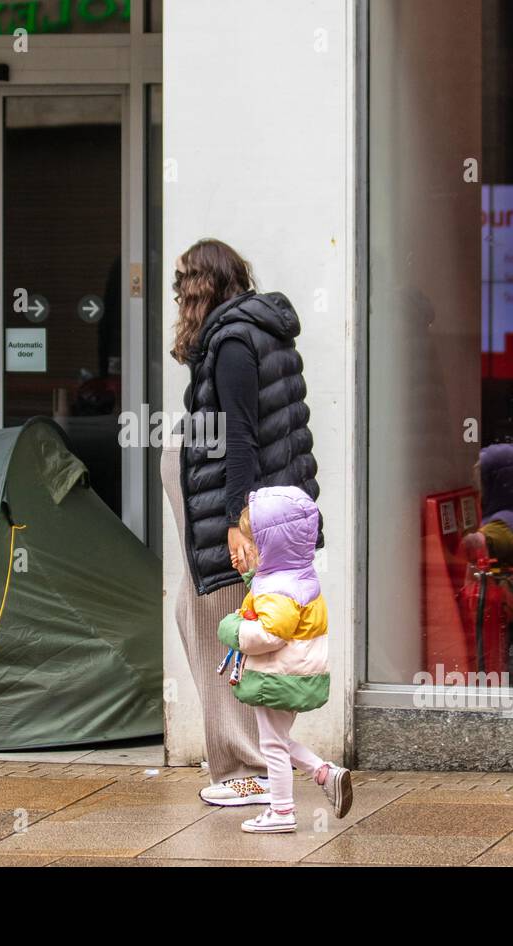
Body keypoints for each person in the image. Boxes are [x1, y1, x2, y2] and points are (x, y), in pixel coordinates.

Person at [159, 237, 320, 808]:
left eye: (183, 282)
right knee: (208, 619)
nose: (177, 294)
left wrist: (236, 519)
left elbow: (241, 438)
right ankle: (251, 758)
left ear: (203, 284)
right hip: (236, 509)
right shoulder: (257, 330)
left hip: (229, 512)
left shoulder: (231, 340)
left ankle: (247, 769)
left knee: (223, 630)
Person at [216, 487, 350, 833]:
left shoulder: (278, 589)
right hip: (292, 673)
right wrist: (251, 577)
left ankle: (282, 811)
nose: (249, 552)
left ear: (272, 546)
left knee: (272, 745)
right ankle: (323, 773)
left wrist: (232, 628)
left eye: (253, 545)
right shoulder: (295, 575)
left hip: (278, 674)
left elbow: (269, 634)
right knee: (276, 740)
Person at [462, 442, 513, 672]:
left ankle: (497, 675)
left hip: (505, 596)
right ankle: (511, 673)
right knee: (507, 642)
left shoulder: (503, 522)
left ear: (497, 483)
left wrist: (463, 540)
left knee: (493, 641)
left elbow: (480, 544)